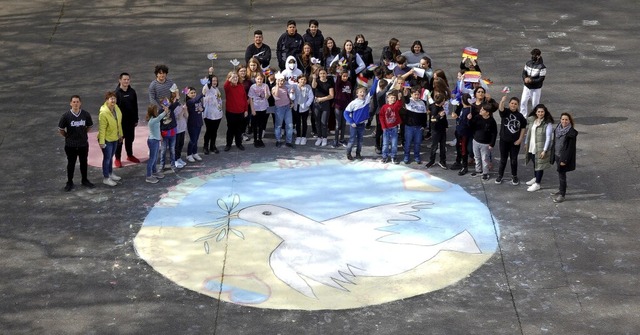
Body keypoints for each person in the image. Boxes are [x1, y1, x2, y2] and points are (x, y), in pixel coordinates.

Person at [58, 95, 95, 191]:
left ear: (80, 103)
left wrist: (83, 133)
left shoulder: (85, 114)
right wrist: (67, 136)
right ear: (70, 103)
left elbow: (89, 126)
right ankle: (69, 182)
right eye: (74, 102)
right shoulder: (66, 116)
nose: (76, 104)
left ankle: (84, 180)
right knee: (71, 164)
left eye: (77, 102)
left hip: (83, 144)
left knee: (83, 163)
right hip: (71, 145)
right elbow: (61, 130)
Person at [496, 95, 527, 185]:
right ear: (509, 104)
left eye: (515, 104)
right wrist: (502, 101)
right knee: (503, 159)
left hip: (515, 142)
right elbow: (501, 109)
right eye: (512, 103)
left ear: (518, 105)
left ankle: (514, 176)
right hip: (504, 141)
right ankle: (500, 175)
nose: (513, 105)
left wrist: (520, 139)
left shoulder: (520, 116)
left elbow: (523, 128)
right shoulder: (505, 112)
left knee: (514, 160)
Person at [524, 104, 554, 192]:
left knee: (539, 165)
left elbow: (548, 138)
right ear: (536, 112)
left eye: (542, 112)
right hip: (532, 146)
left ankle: (537, 183)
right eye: (539, 112)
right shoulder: (533, 120)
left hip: (540, 147)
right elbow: (529, 132)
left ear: (545, 112)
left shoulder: (547, 123)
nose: (540, 113)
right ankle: (535, 177)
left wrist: (544, 150)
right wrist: (526, 142)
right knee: (534, 162)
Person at [97, 91, 123, 187]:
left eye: (114, 98)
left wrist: (120, 134)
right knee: (107, 158)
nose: (113, 100)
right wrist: (102, 142)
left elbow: (118, 123)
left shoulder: (116, 108)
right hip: (106, 139)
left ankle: (111, 173)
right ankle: (106, 178)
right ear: (107, 100)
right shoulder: (103, 113)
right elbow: (102, 128)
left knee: (111, 157)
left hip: (115, 137)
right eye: (111, 98)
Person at [114, 72, 139, 167]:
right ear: (120, 80)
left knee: (130, 139)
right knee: (119, 141)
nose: (126, 81)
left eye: (128, 79)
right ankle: (117, 159)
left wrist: (136, 119)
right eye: (124, 79)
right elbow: (113, 109)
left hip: (130, 121)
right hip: (120, 123)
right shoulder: (116, 93)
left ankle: (130, 155)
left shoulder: (132, 92)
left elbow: (135, 106)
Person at [552, 112, 578, 203]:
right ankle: (561, 189)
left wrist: (564, 160)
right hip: (557, 155)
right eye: (562, 119)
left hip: (563, 157)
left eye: (566, 119)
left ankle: (562, 195)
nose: (564, 121)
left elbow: (570, 149)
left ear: (569, 121)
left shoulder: (571, 133)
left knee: (562, 175)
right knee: (560, 174)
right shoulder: (558, 129)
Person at [468, 103, 497, 180]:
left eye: (483, 110)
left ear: (487, 112)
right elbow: (471, 126)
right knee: (476, 157)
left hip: (485, 143)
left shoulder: (491, 121)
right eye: (481, 109)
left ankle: (485, 172)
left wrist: (492, 144)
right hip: (476, 141)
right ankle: (478, 170)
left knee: (485, 159)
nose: (480, 110)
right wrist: (470, 119)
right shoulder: (477, 117)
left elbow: (494, 133)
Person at [344, 86, 373, 160]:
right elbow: (346, 113)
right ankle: (348, 153)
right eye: (360, 92)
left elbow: (372, 90)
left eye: (364, 92)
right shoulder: (353, 103)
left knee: (360, 140)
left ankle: (358, 153)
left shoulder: (367, 100)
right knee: (352, 140)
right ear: (357, 94)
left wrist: (376, 78)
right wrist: (351, 121)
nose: (362, 93)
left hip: (362, 125)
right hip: (354, 125)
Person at [402, 86, 428, 164]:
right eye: (415, 94)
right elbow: (406, 99)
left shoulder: (423, 102)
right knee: (408, 143)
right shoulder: (409, 101)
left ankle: (417, 156)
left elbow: (424, 115)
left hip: (419, 127)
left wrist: (424, 125)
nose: (416, 96)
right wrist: (406, 94)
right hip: (409, 127)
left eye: (418, 94)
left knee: (417, 143)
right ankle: (406, 156)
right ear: (412, 94)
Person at [223, 71, 249, 151]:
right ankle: (228, 144)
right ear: (229, 79)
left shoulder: (241, 86)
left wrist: (246, 110)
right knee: (230, 129)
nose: (235, 79)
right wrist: (229, 78)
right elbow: (225, 85)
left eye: (236, 77)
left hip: (240, 111)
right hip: (231, 112)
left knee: (239, 129)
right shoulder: (228, 87)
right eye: (233, 77)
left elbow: (244, 99)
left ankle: (239, 143)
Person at [311, 67, 334, 146]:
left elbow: (331, 95)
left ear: (326, 74)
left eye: (324, 73)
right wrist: (314, 78)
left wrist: (322, 99)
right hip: (317, 104)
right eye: (321, 74)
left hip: (325, 104)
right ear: (319, 75)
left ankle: (324, 138)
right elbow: (313, 86)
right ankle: (319, 137)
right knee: (317, 122)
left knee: (324, 122)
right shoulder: (317, 81)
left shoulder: (329, 83)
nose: (322, 75)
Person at [272, 72, 296, 148]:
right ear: (277, 81)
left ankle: (289, 141)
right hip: (279, 108)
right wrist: (277, 85)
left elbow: (289, 96)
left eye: (282, 80)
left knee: (289, 124)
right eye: (279, 80)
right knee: (278, 125)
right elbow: (275, 95)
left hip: (287, 107)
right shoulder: (274, 88)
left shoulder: (286, 87)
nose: (281, 82)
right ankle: (278, 140)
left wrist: (291, 102)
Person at [145, 104, 167, 184]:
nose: (157, 111)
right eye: (156, 110)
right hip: (153, 141)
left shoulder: (154, 119)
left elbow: (157, 129)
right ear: (153, 111)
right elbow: (161, 116)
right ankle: (148, 176)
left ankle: (154, 172)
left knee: (155, 157)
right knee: (152, 158)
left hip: (156, 140)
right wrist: (166, 110)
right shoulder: (153, 120)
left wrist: (160, 136)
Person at [379, 89, 403, 164]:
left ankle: (393, 156)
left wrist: (399, 99)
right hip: (386, 128)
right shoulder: (384, 107)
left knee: (394, 144)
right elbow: (381, 117)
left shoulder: (395, 106)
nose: (393, 99)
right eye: (391, 97)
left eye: (394, 98)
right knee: (385, 144)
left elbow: (398, 105)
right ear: (387, 98)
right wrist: (383, 127)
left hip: (394, 128)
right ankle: (384, 156)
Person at [451, 93, 473, 175]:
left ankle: (464, 166)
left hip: (464, 133)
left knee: (463, 149)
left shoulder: (469, 110)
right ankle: (458, 162)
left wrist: (457, 118)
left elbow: (466, 123)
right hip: (459, 132)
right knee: (459, 148)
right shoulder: (463, 109)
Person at [425, 93, 448, 169]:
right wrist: (439, 116)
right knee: (434, 146)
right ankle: (432, 161)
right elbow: (432, 119)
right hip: (436, 130)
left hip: (442, 129)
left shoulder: (441, 107)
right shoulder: (434, 108)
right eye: (444, 100)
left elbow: (444, 118)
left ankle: (442, 161)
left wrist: (446, 125)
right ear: (441, 101)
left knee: (443, 146)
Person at [520, 48, 546, 116]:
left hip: (536, 88)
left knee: (535, 104)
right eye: (532, 55)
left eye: (534, 55)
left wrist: (531, 80)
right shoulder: (528, 63)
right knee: (523, 102)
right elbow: (523, 73)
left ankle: (534, 117)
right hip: (527, 87)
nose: (532, 57)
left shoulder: (542, 67)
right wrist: (525, 78)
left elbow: (541, 79)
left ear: (538, 56)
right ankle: (523, 116)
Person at [247, 72, 271, 147]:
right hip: (255, 108)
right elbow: (250, 98)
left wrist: (266, 91)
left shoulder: (265, 86)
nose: (259, 81)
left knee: (261, 124)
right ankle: (255, 139)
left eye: (261, 79)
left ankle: (260, 139)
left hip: (263, 108)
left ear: (263, 79)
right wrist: (252, 109)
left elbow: (267, 97)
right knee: (254, 125)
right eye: (258, 79)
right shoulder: (252, 87)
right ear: (255, 79)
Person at [202, 70, 223, 154]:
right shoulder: (207, 88)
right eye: (213, 80)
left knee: (214, 131)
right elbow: (207, 84)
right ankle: (205, 146)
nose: (214, 82)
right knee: (209, 131)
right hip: (209, 115)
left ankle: (213, 146)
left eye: (216, 80)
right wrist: (210, 74)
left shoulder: (217, 89)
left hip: (218, 114)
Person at [332, 70, 352, 148]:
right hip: (338, 106)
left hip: (346, 107)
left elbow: (350, 96)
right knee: (338, 124)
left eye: (346, 76)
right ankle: (335, 140)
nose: (345, 77)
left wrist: (350, 106)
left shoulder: (349, 83)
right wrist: (338, 75)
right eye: (343, 76)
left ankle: (342, 139)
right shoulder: (339, 83)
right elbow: (337, 83)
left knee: (344, 124)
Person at [292, 74, 314, 145]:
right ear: (298, 80)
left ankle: (304, 137)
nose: (303, 81)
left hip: (305, 107)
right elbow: (292, 97)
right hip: (297, 107)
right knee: (298, 122)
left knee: (304, 122)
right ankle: (298, 136)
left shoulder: (308, 87)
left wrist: (306, 105)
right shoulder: (295, 86)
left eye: (304, 79)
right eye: (301, 79)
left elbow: (311, 97)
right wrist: (292, 93)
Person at [185, 87, 204, 162]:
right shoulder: (189, 102)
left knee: (196, 139)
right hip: (192, 123)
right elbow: (194, 100)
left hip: (199, 122)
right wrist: (202, 93)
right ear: (187, 94)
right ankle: (189, 154)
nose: (193, 94)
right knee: (193, 140)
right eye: (191, 93)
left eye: (194, 93)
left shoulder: (198, 100)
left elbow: (202, 107)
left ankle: (194, 153)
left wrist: (203, 109)